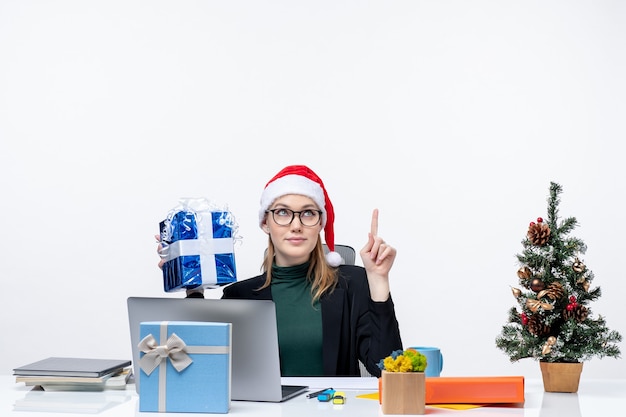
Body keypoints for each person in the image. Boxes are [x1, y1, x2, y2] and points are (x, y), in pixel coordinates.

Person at [159, 165, 403, 377]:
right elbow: (204, 371)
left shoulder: (354, 283)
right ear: (265, 223)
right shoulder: (239, 296)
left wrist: (379, 280)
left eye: (308, 213)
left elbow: (387, 369)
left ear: (320, 223)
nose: (296, 225)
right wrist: (192, 286)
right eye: (283, 212)